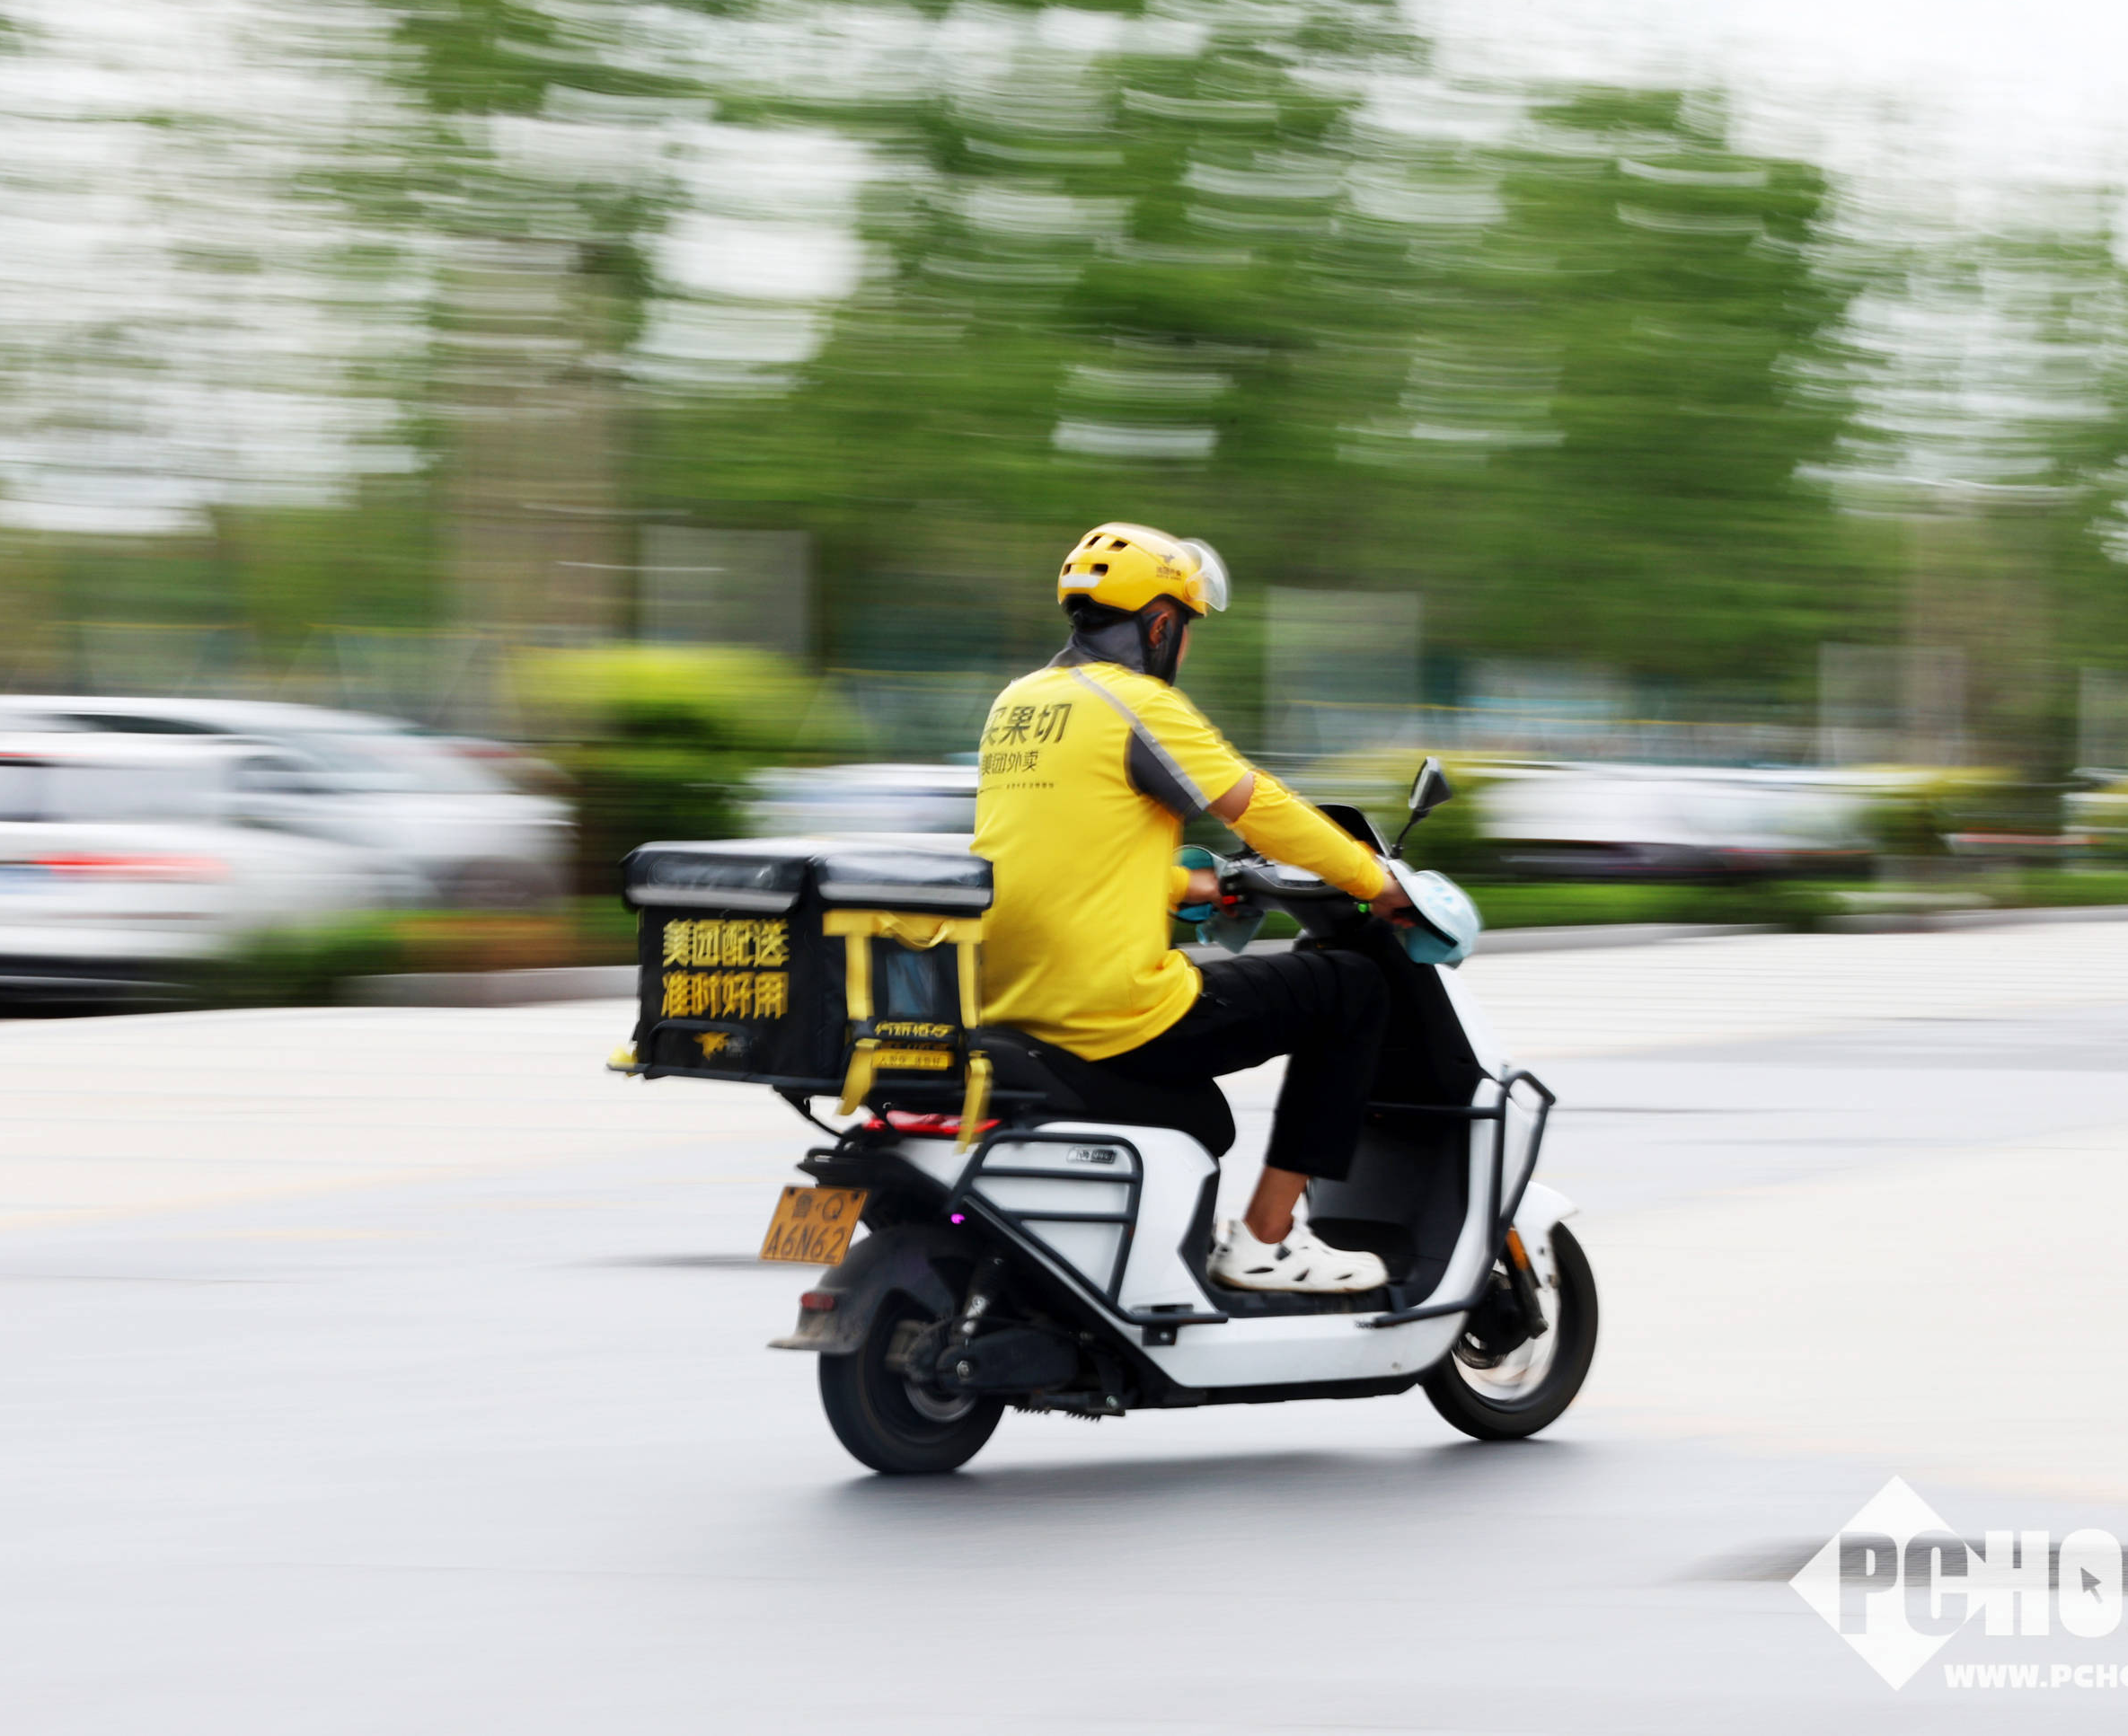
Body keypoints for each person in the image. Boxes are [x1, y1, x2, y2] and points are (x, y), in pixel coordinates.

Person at [972, 522, 1411, 1293]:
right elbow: (1256, 807)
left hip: (1011, 997)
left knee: (1206, 1116)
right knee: (1351, 990)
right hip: (1112, 1009)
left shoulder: (1020, 703)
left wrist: (1186, 885)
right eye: (1188, 629)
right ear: (1162, 623)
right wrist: (1377, 881)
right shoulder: (1135, 701)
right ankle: (1268, 1243)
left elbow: (1056, 849)